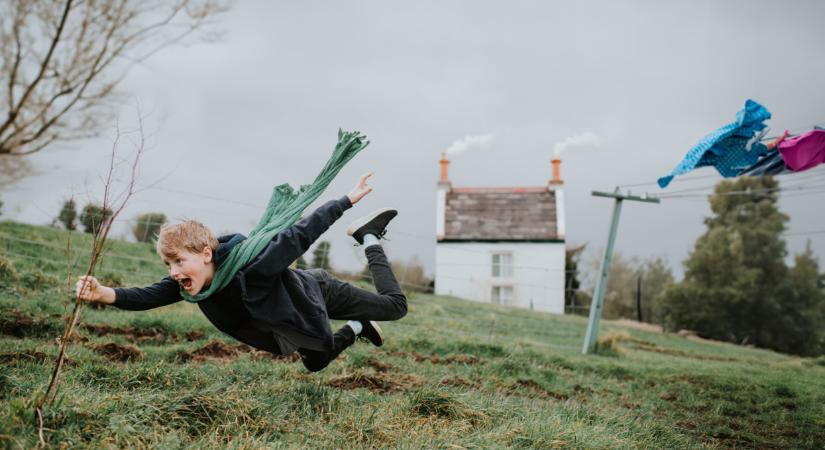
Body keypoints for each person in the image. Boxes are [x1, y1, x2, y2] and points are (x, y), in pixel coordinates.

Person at [76, 173, 407, 372]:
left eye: (179, 261)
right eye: (169, 265)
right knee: (316, 362)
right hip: (294, 323)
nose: (174, 272)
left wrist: (346, 200)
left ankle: (368, 237)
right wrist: (104, 293)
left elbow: (298, 236)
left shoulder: (252, 266)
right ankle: (358, 326)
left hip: (316, 293)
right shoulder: (196, 285)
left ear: (206, 254)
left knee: (395, 306)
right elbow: (148, 295)